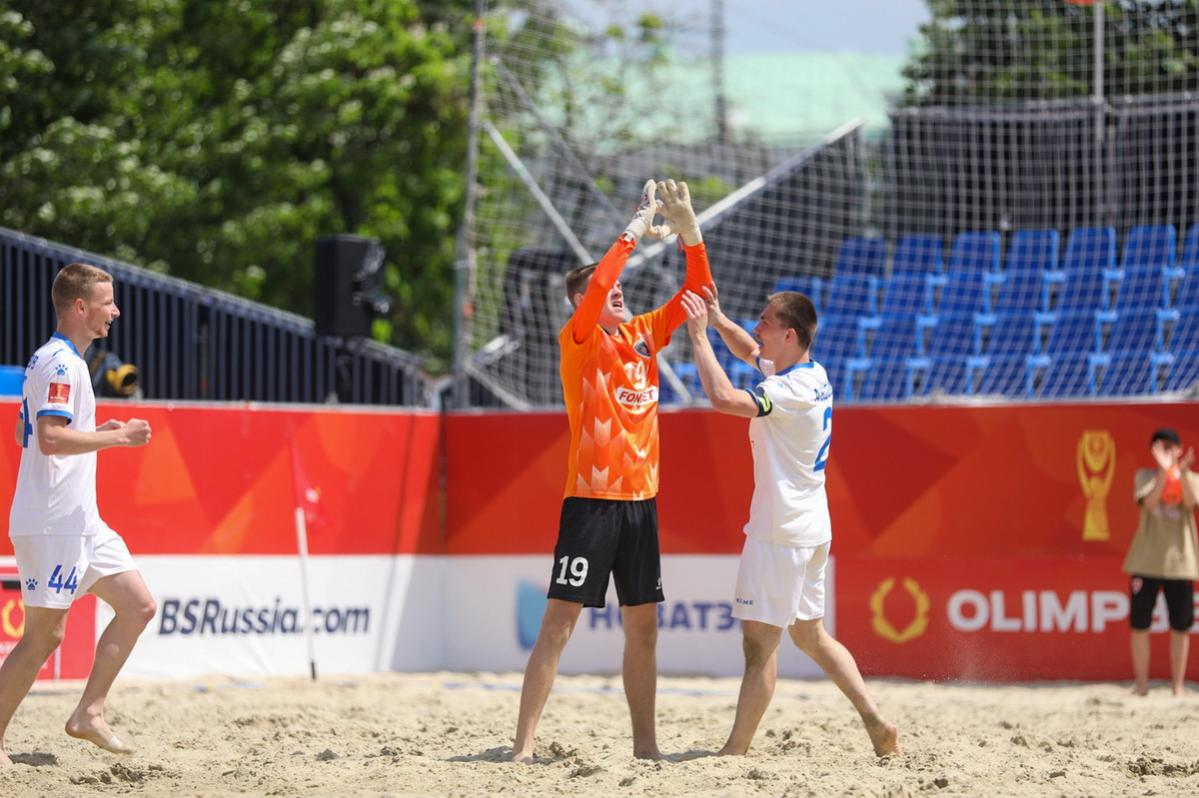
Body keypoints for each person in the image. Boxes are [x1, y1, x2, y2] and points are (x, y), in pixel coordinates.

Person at [510, 179, 713, 763]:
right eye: (608, 290)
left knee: (644, 629)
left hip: (641, 504)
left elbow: (699, 294)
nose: (618, 291)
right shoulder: (579, 340)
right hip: (591, 503)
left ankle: (646, 747)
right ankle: (523, 747)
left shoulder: (643, 333)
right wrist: (635, 227)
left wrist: (691, 235)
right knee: (559, 623)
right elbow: (600, 281)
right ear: (582, 304)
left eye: (623, 288)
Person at [679, 285, 900, 758]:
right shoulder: (811, 373)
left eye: (766, 321)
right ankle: (876, 722)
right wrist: (718, 320)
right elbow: (750, 352)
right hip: (811, 524)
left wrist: (697, 336)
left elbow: (722, 397)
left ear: (790, 335)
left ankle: (734, 752)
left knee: (760, 645)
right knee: (810, 635)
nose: (757, 327)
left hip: (780, 531)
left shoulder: (787, 389)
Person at [2, 263, 156, 767]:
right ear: (80, 306)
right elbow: (48, 439)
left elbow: (31, 433)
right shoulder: (62, 364)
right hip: (54, 522)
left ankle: (89, 713)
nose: (116, 311)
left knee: (138, 606)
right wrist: (119, 437)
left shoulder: (56, 360)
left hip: (80, 520)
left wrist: (94, 431)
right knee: (44, 637)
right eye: (107, 302)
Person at [1123, 427, 1198, 697]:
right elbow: (1150, 503)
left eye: (1169, 446)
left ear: (1178, 449)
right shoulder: (1145, 476)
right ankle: (1142, 686)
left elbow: (1190, 503)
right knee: (1140, 624)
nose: (1165, 451)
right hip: (1146, 561)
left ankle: (1177, 687)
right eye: (1159, 446)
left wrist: (1178, 473)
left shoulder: (1192, 477)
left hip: (1180, 562)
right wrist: (1165, 472)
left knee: (1181, 626)